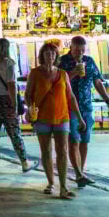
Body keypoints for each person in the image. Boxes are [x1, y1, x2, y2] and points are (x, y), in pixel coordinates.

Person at [26, 42, 89, 199]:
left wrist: (80, 118)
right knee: (46, 151)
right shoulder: (34, 73)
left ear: (56, 57)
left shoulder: (62, 74)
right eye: (47, 53)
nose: (50, 56)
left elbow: (71, 96)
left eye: (53, 54)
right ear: (42, 56)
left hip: (62, 116)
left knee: (62, 151)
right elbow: (28, 94)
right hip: (42, 118)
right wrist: (30, 107)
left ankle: (63, 187)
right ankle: (50, 183)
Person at [58, 36, 109, 187]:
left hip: (86, 106)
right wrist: (74, 73)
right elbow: (58, 84)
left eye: (83, 50)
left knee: (84, 141)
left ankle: (80, 173)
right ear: (71, 47)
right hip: (69, 106)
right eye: (77, 49)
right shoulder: (62, 62)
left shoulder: (89, 61)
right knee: (74, 141)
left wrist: (108, 101)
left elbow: (97, 81)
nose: (80, 53)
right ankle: (78, 173)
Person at [0, 38, 34, 176]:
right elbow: (11, 85)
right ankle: (25, 163)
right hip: (6, 101)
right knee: (14, 133)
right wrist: (14, 105)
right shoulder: (9, 64)